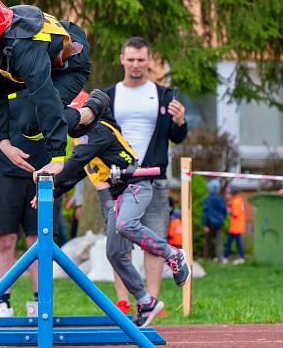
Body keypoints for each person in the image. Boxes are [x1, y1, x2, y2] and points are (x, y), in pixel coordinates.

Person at [35, 108, 190, 327]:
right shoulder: (83, 140)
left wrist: (48, 174)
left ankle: (173, 254)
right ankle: (146, 302)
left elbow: (71, 166)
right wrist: (50, 192)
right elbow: (77, 172)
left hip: (136, 185)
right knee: (115, 253)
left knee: (126, 224)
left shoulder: (99, 131)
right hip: (117, 194)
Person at [0, 0, 110, 177]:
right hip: (28, 66)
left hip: (68, 67)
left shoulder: (25, 49)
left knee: (33, 128)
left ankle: (88, 113)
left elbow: (45, 96)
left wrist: (57, 158)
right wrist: (3, 141)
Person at [102, 37, 188, 316]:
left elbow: (177, 136)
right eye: (131, 59)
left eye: (141, 60)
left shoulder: (163, 95)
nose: (136, 65)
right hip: (117, 180)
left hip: (153, 179)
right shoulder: (108, 96)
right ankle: (123, 301)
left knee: (152, 239)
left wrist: (180, 121)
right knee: (119, 243)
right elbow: (98, 138)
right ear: (122, 59)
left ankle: (152, 300)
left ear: (149, 61)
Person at [0, 89, 59, 317]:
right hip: (3, 172)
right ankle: (3, 302)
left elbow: (63, 127)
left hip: (42, 172)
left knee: (38, 238)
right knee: (4, 240)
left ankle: (41, 302)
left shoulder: (47, 82)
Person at [202, 179, 227, 262]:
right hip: (219, 223)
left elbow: (205, 212)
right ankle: (220, 258)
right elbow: (224, 211)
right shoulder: (221, 199)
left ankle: (206, 258)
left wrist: (205, 224)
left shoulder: (206, 199)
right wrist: (222, 218)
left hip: (210, 223)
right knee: (219, 242)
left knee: (208, 242)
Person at [223, 186, 245, 265]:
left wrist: (229, 210)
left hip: (237, 226)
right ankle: (226, 257)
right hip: (235, 226)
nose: (228, 194)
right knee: (230, 242)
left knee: (237, 243)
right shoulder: (238, 200)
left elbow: (235, 214)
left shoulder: (236, 201)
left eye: (230, 193)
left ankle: (241, 257)